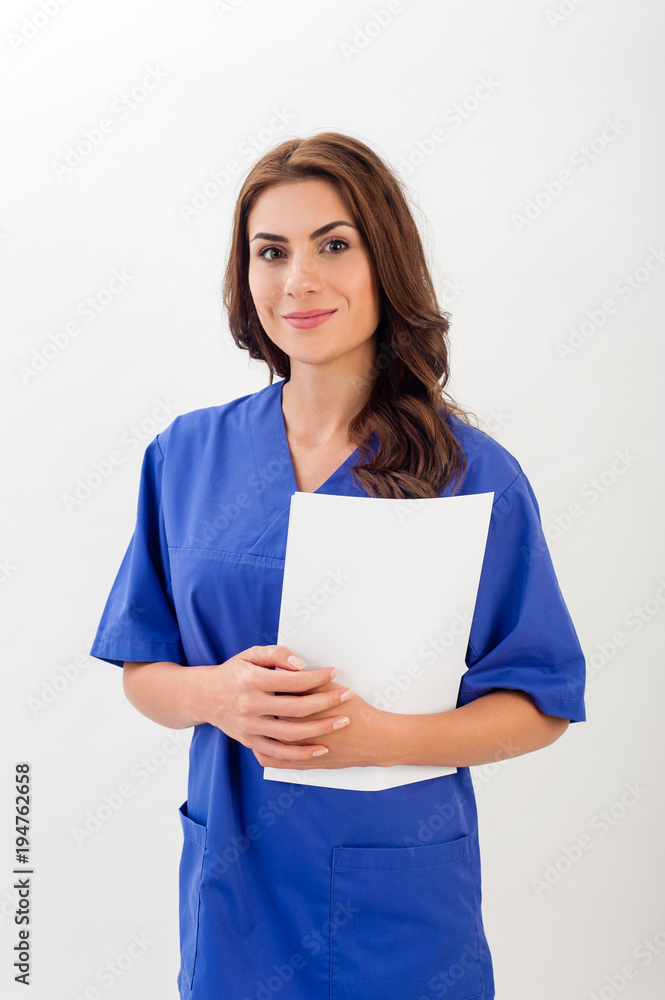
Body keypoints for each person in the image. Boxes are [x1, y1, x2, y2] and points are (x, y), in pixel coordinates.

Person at [90, 131, 586, 1000]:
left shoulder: (471, 473)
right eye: (270, 252)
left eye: (333, 245)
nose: (299, 281)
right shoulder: (186, 455)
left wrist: (382, 739)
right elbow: (142, 668)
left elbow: (540, 702)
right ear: (244, 278)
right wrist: (216, 696)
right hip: (233, 887)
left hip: (397, 901)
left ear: (382, 259)